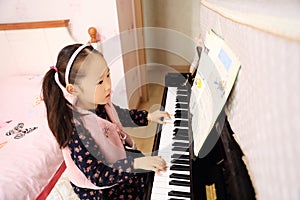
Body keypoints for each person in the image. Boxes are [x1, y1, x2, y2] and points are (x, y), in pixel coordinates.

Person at [42, 44, 170, 200]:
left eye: (107, 75)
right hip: (100, 187)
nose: (108, 86)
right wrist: (136, 164)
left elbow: (120, 115)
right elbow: (98, 175)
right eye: (100, 82)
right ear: (73, 89)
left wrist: (148, 116)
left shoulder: (98, 102)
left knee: (152, 172)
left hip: (115, 163)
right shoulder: (76, 129)